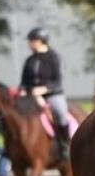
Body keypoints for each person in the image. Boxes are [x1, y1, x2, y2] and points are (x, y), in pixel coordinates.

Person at [20, 27, 71, 162]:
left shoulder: (55, 58)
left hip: (52, 95)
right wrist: (23, 89)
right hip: (31, 96)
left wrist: (44, 89)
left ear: (40, 41)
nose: (29, 44)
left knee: (60, 113)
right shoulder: (29, 60)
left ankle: (65, 144)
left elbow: (58, 82)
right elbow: (24, 81)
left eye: (31, 41)